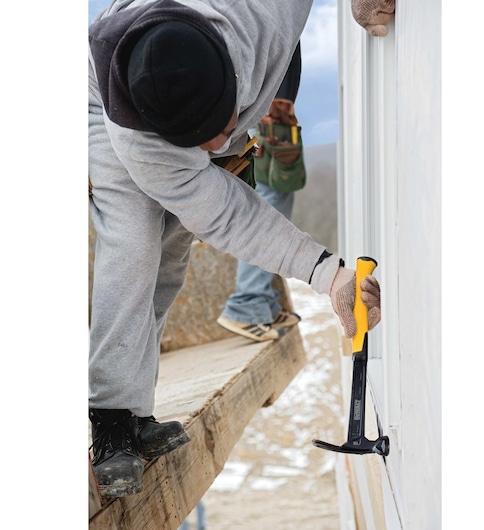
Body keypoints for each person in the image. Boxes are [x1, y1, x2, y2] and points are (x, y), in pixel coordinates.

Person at [88, 0, 382, 499]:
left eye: (222, 130)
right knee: (135, 242)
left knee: (173, 254)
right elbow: (224, 215)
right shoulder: (143, 141)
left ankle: (138, 412)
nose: (221, 144)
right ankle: (113, 418)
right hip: (103, 99)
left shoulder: (268, 11)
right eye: (201, 143)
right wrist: (326, 272)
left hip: (187, 70)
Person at [217, 42, 306, 342]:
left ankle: (263, 303)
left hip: (271, 106)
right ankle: (248, 303)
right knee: (271, 196)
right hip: (265, 107)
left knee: (278, 192)